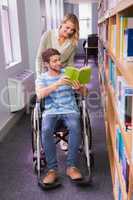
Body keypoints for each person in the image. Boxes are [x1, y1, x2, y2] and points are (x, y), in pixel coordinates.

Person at [35, 48, 88, 185]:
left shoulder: (69, 73)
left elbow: (85, 93)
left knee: (76, 127)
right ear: (47, 64)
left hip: (70, 109)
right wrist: (57, 84)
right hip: (51, 112)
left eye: (59, 59)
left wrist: (79, 88)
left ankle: (71, 167)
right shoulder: (42, 78)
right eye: (55, 61)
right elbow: (40, 95)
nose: (59, 63)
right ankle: (52, 170)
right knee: (46, 130)